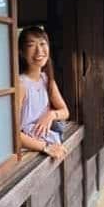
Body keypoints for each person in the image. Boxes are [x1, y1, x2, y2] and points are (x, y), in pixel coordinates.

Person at [18, 26, 70, 161]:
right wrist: (45, 147)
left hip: (48, 141)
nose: (39, 51)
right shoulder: (21, 85)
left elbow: (65, 111)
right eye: (31, 45)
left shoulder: (46, 79)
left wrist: (51, 115)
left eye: (42, 44)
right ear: (22, 52)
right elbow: (12, 134)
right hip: (30, 149)